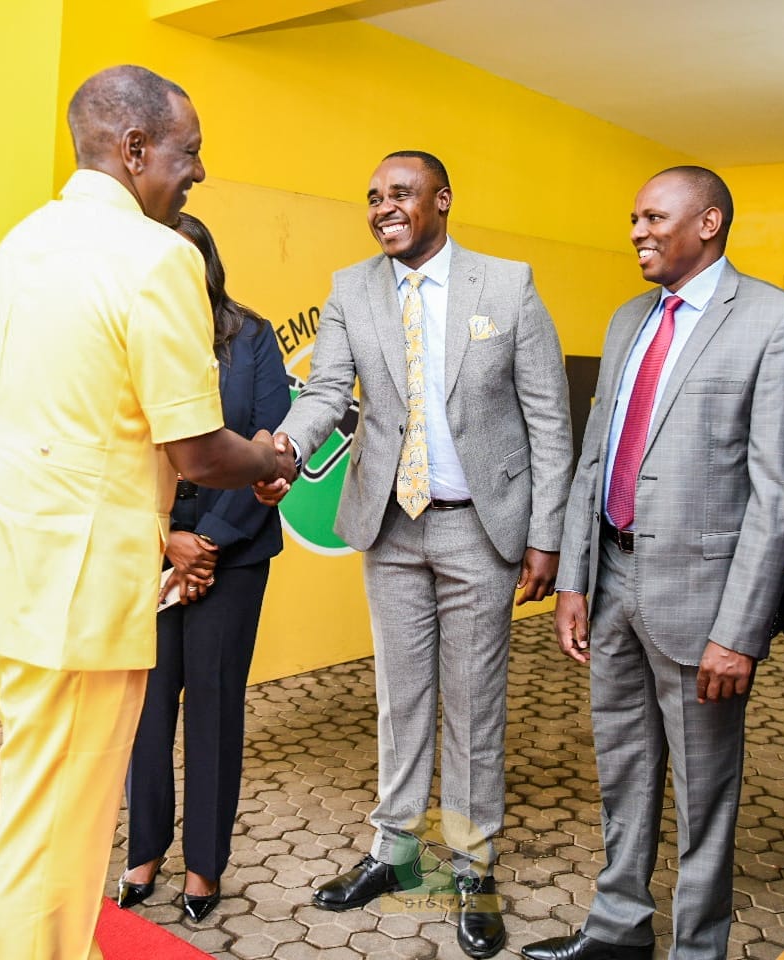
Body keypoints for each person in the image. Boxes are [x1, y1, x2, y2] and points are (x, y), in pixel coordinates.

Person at [0, 65, 294, 960]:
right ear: (134, 150)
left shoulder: (11, 252)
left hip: (3, 577)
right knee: (55, 829)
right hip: (78, 599)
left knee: (41, 800)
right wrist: (269, 459)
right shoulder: (154, 257)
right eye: (189, 152)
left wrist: (8, 517)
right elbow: (199, 448)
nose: (197, 173)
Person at [258, 150, 572, 959]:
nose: (382, 208)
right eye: (371, 197)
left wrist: (546, 535)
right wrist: (284, 453)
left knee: (474, 706)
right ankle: (392, 852)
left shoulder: (508, 285)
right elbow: (326, 392)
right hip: (391, 524)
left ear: (441, 200)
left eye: (399, 193)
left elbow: (547, 418)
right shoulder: (350, 289)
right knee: (400, 698)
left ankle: (471, 868)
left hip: (480, 525)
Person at [521, 166, 784, 960]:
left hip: (703, 607)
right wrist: (577, 581)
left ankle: (697, 949)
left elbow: (778, 494)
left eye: (655, 217)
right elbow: (595, 460)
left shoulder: (775, 321)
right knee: (621, 771)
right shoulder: (628, 319)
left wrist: (741, 631)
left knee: (703, 795)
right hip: (612, 583)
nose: (637, 232)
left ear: (709, 223)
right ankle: (618, 928)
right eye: (632, 218)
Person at [117, 213, 291, 923]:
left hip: (234, 552)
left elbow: (269, 443)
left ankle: (205, 867)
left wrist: (207, 541)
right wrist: (165, 541)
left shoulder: (250, 337)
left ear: (207, 264)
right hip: (144, 549)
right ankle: (143, 852)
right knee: (146, 713)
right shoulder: (124, 332)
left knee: (215, 710)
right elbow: (117, 446)